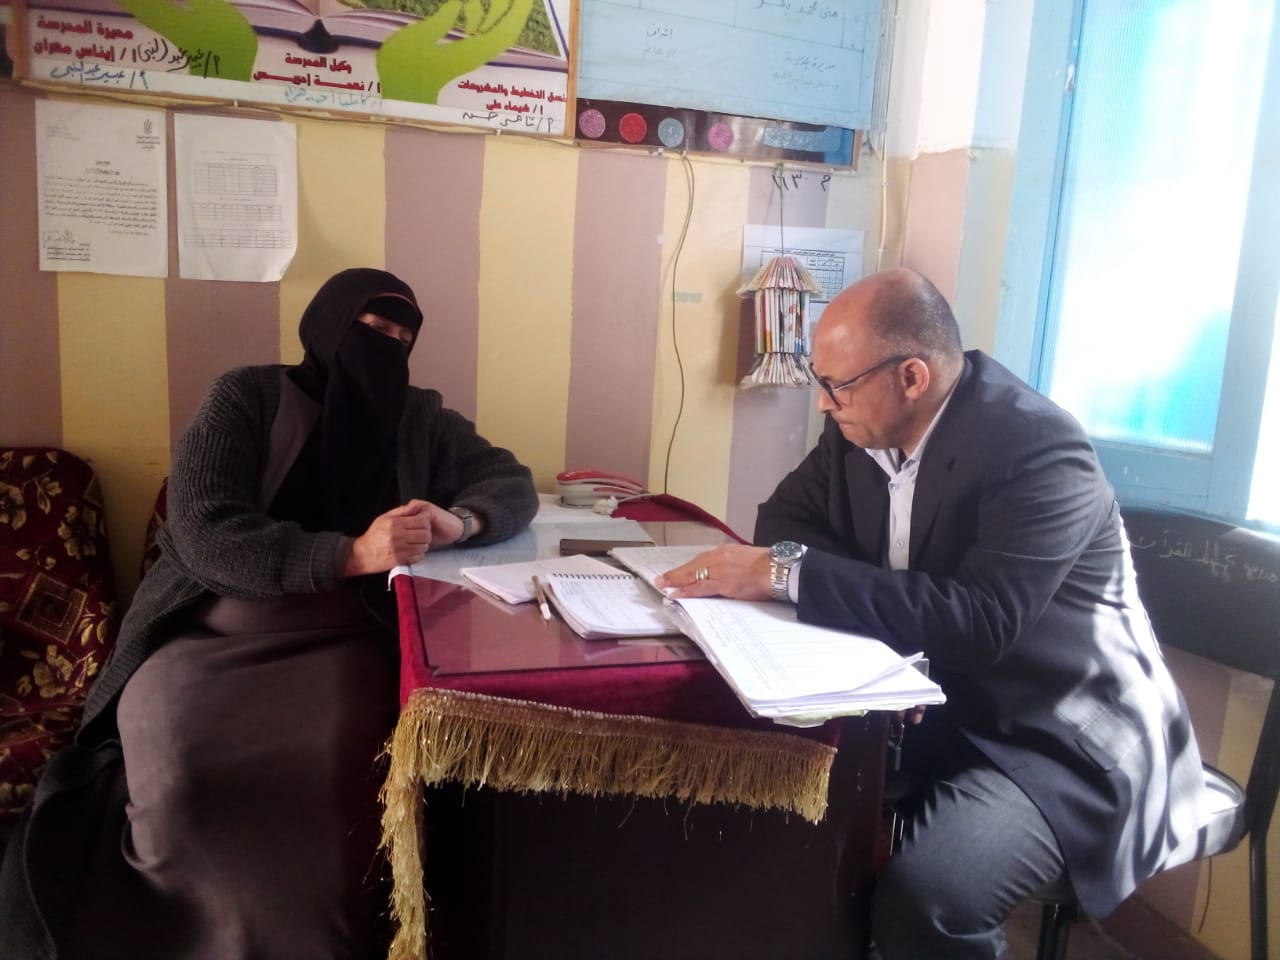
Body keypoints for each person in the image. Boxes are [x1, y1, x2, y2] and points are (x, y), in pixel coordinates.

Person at [657, 267, 1209, 959]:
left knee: (928, 898)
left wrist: (787, 573)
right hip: (932, 701)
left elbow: (979, 624)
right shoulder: (859, 426)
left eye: (836, 385)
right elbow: (784, 520)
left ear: (912, 377)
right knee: (779, 817)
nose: (824, 402)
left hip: (1055, 736)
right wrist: (892, 635)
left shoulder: (1038, 449)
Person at [0, 267, 539, 959]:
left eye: (402, 338)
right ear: (327, 324)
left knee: (337, 772)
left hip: (345, 638)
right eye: (372, 328)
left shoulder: (420, 417)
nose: (387, 346)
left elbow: (511, 482)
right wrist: (349, 553)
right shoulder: (246, 396)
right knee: (182, 771)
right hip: (209, 628)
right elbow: (203, 529)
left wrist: (460, 521)